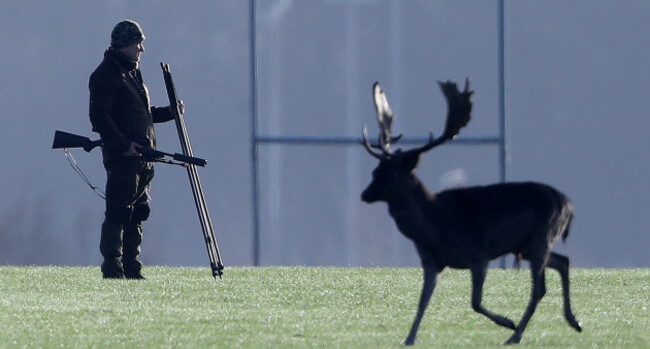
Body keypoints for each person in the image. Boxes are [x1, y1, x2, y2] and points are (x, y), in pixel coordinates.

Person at [89, 20, 176, 279]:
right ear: (125, 44)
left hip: (142, 158)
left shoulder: (131, 72)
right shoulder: (106, 75)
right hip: (124, 158)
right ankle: (112, 268)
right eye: (138, 43)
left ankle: (132, 266)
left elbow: (141, 114)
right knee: (118, 212)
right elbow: (100, 119)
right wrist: (124, 146)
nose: (141, 49)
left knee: (138, 212)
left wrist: (169, 113)